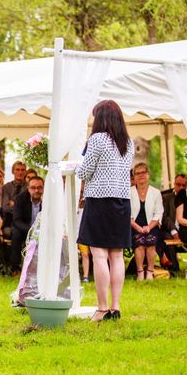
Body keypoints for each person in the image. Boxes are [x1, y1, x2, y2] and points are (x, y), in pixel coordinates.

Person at [76, 100, 134, 322]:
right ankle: (115, 306)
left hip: (99, 200)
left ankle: (101, 308)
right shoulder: (127, 142)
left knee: (99, 254)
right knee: (116, 255)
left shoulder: (97, 139)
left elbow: (85, 171)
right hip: (122, 201)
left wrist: (75, 167)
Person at [130, 163, 164, 280]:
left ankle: (149, 271)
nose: (141, 175)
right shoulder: (129, 192)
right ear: (134, 177)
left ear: (148, 175)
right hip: (134, 225)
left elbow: (159, 213)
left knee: (151, 243)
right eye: (137, 173)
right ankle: (140, 272)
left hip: (152, 224)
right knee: (139, 243)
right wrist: (138, 227)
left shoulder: (156, 192)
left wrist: (149, 227)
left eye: (143, 172)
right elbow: (127, 215)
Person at [10, 176, 44, 273]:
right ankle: (15, 267)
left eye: (40, 187)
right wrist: (31, 230)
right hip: (24, 229)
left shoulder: (48, 199)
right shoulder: (20, 199)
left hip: (43, 229)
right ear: (28, 188)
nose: (36, 190)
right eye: (33, 188)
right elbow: (16, 220)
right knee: (16, 234)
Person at [160, 174, 187, 270]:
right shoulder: (166, 198)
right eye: (178, 184)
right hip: (170, 230)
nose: (181, 187)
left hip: (186, 230)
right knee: (166, 236)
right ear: (174, 184)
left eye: (184, 185)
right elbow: (164, 217)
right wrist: (174, 231)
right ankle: (173, 266)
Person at [1, 161, 27, 239]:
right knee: (13, 232)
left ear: (25, 172)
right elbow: (5, 207)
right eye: (17, 170)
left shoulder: (29, 187)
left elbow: (28, 208)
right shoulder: (6, 187)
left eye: (22, 170)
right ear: (13, 171)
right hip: (9, 222)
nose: (20, 172)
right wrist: (20, 207)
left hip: (24, 221)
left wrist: (14, 204)